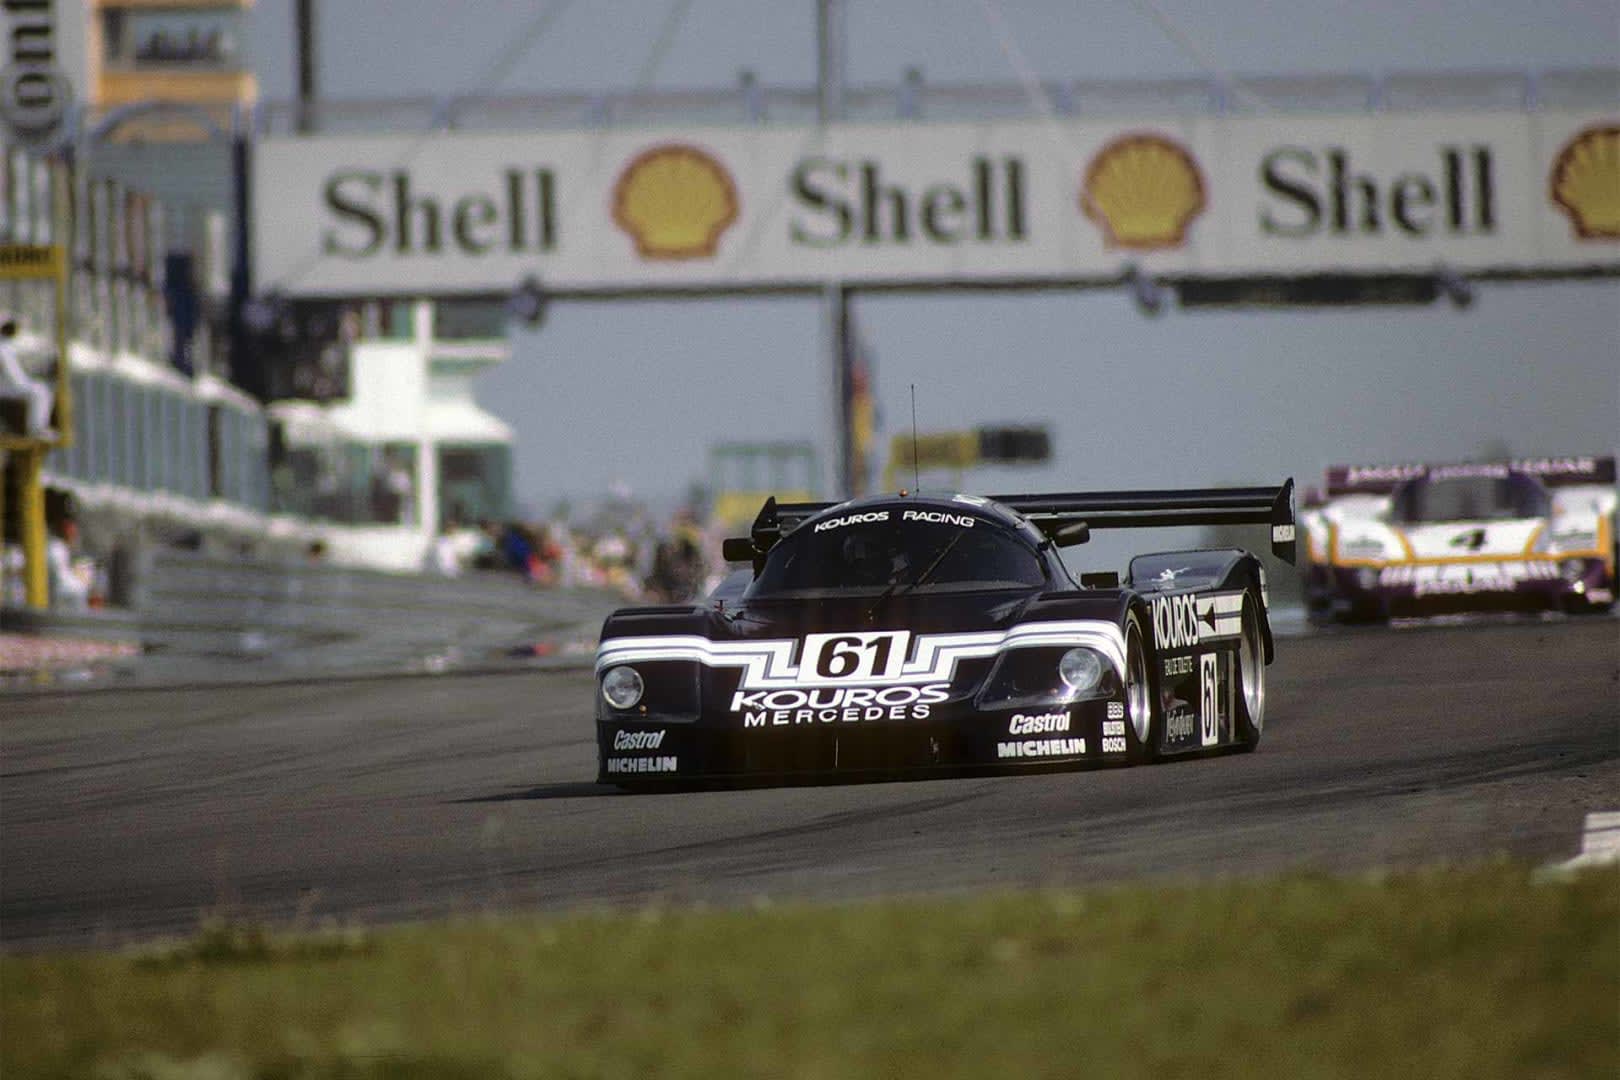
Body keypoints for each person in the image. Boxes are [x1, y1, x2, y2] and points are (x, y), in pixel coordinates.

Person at [0, 315, 53, 437]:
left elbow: (17, 372)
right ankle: (37, 430)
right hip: (5, 388)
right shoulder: (3, 346)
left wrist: (40, 373)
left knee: (39, 388)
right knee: (40, 392)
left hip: (10, 385)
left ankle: (34, 429)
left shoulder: (6, 345)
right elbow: (11, 374)